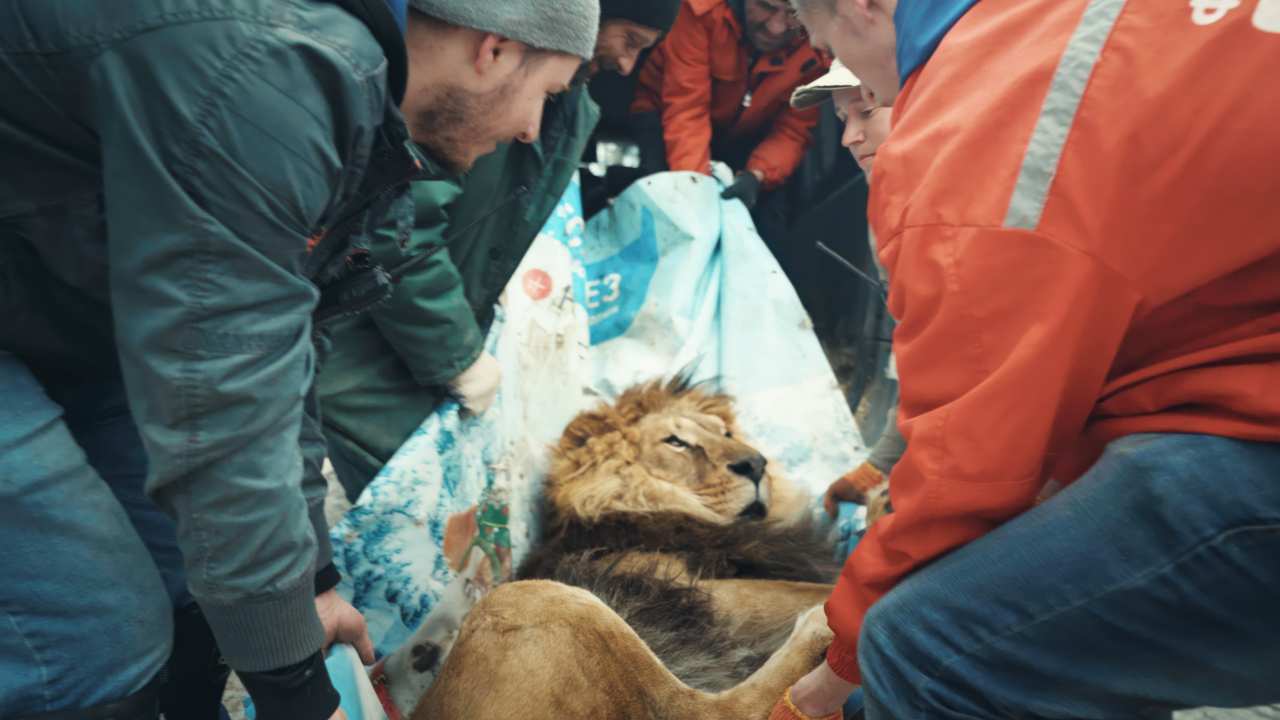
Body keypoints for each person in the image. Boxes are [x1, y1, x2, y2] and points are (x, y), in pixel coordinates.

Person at [0, 0, 595, 718]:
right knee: (93, 640)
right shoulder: (270, 72)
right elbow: (222, 402)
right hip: (47, 320)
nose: (532, 128)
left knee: (192, 584)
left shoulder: (364, 113)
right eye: (547, 94)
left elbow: (283, 356)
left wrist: (311, 581)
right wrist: (297, 693)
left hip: (66, 314)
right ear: (493, 50)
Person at [773, 0, 1280, 718]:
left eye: (837, 53)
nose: (875, 110)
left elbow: (971, 464)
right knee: (1057, 630)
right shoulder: (1073, 28)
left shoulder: (980, 125)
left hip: (1251, 451)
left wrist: (839, 668)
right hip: (1236, 400)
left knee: (923, 647)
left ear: (863, 6)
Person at [318, 0, 678, 501]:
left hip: (415, 336)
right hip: (372, 348)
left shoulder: (563, 102)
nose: (627, 65)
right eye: (631, 41)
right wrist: (457, 355)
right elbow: (400, 224)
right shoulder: (465, 99)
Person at [791, 61, 904, 517]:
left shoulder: (980, 205)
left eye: (867, 112)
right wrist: (880, 465)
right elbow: (929, 368)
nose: (848, 138)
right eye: (842, 121)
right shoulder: (883, 213)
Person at [629, 0, 829, 223]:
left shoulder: (820, 40)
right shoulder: (699, 10)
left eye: (793, 14)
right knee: (667, 204)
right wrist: (696, 190)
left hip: (748, 132)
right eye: (766, 6)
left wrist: (757, 175)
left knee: (765, 217)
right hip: (665, 115)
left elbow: (794, 129)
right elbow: (685, 109)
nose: (776, 27)